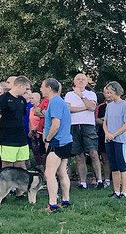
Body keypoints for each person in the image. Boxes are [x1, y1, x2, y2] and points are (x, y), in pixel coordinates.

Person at [40, 78, 73, 212]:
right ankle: (65, 200)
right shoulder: (59, 102)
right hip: (66, 140)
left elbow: (55, 124)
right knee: (61, 172)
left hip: (58, 141)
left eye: (42, 87)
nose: (41, 89)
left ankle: (52, 204)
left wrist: (47, 139)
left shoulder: (55, 102)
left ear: (49, 87)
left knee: (49, 172)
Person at [66, 73, 102, 189]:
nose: (80, 81)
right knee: (79, 154)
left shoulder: (91, 94)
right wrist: (84, 107)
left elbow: (92, 107)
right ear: (74, 81)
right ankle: (83, 182)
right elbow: (68, 109)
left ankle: (99, 180)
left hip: (88, 125)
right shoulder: (69, 94)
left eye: (83, 79)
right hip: (74, 125)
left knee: (93, 153)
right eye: (78, 79)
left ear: (86, 82)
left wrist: (81, 96)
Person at [0, 77, 31, 169]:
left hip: (21, 138)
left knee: (21, 165)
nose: (27, 91)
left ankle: (20, 183)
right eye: (26, 89)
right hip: (7, 138)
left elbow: (22, 118)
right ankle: (7, 183)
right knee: (7, 166)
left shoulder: (22, 100)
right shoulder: (3, 99)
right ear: (20, 86)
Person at [102, 81, 126, 198]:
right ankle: (116, 191)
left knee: (122, 166)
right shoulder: (109, 106)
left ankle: (123, 192)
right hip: (109, 140)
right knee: (113, 166)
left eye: (110, 92)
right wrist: (107, 133)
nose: (108, 95)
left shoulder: (124, 105)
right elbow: (105, 122)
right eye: (107, 92)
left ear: (116, 92)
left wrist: (114, 134)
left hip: (120, 140)